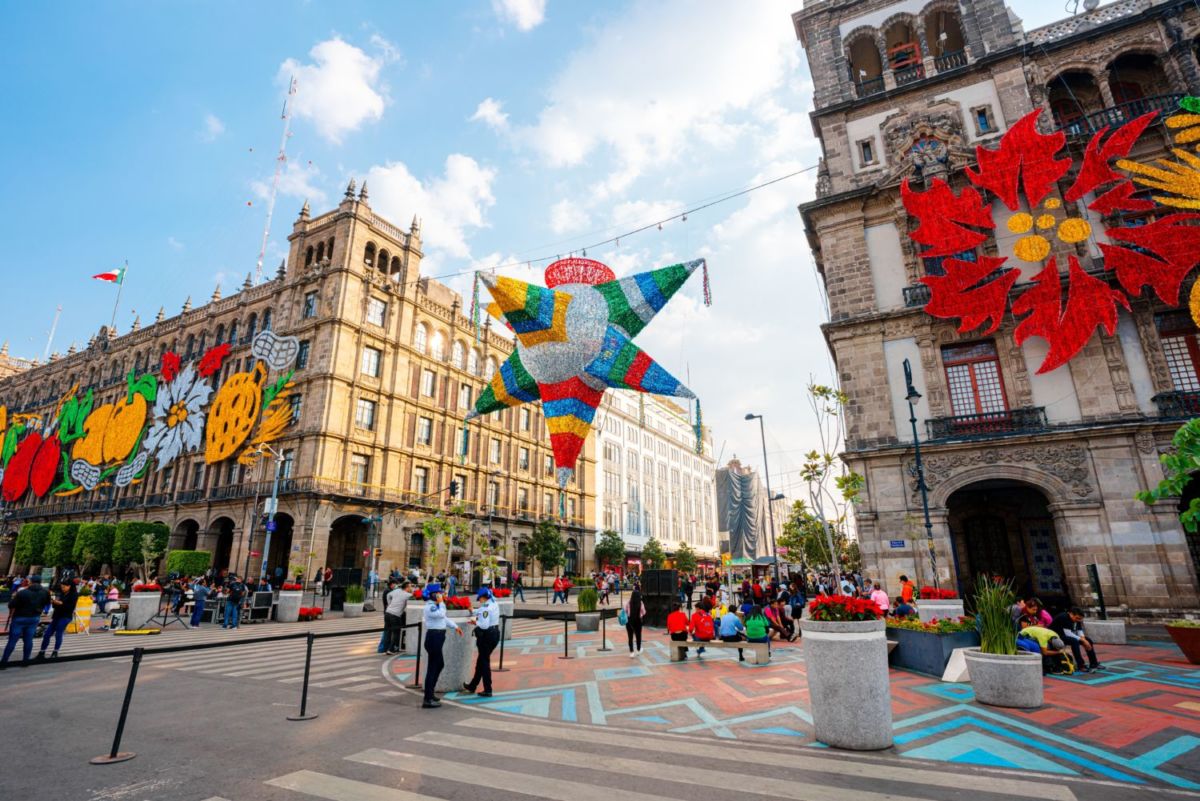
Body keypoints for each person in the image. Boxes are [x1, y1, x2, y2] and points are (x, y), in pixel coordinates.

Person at [421, 583, 463, 708]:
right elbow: (440, 614)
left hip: (438, 637)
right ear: (434, 595)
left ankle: (430, 693)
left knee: (439, 664)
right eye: (439, 593)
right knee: (433, 667)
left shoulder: (436, 606)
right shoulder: (430, 607)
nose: (441, 595)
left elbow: (444, 618)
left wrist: (455, 627)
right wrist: (442, 602)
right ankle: (427, 699)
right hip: (434, 637)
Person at [2, 575, 50, 668]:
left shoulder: (23, 592)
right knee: (28, 640)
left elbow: (11, 604)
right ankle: (25, 661)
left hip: (20, 617)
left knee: (12, 640)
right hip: (34, 618)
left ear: (30, 582)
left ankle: (4, 662)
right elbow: (47, 603)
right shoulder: (45, 592)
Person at [463, 587, 500, 696]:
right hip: (494, 634)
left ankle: (488, 689)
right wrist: (473, 611)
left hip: (486, 636)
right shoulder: (493, 603)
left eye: (479, 598)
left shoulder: (485, 607)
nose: (479, 600)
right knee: (481, 662)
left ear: (483, 597)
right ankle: (473, 685)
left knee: (484, 663)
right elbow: (482, 611)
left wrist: (475, 622)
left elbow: (484, 625)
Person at [34, 577, 79, 661]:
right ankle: (42, 652)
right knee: (47, 634)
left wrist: (60, 603)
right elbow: (55, 605)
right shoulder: (62, 593)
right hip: (57, 616)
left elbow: (70, 607)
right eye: (62, 587)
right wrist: (54, 602)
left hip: (65, 616)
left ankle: (55, 652)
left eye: (64, 587)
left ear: (70, 586)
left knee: (59, 633)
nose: (63, 588)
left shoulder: (74, 595)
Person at [1051, 606, 1102, 673]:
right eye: (1077, 618)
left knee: (1088, 640)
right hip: (1057, 636)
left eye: (1080, 619)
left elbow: (1079, 630)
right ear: (1071, 614)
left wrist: (1084, 640)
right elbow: (1068, 633)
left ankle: (1093, 663)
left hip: (1067, 635)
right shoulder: (1063, 617)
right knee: (1074, 642)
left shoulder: (1078, 618)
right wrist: (1083, 640)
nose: (1078, 620)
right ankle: (1081, 665)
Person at [384, 581, 412, 654]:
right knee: (396, 632)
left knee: (388, 631)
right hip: (395, 615)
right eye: (410, 586)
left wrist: (389, 604)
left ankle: (386, 648)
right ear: (407, 587)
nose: (411, 588)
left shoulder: (397, 590)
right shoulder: (407, 595)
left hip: (387, 613)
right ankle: (391, 649)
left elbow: (388, 595)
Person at [623, 586, 645, 657]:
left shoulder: (628, 602)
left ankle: (631, 652)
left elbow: (625, 611)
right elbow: (644, 612)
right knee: (638, 636)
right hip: (638, 621)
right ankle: (638, 650)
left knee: (630, 637)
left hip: (629, 621)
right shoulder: (640, 603)